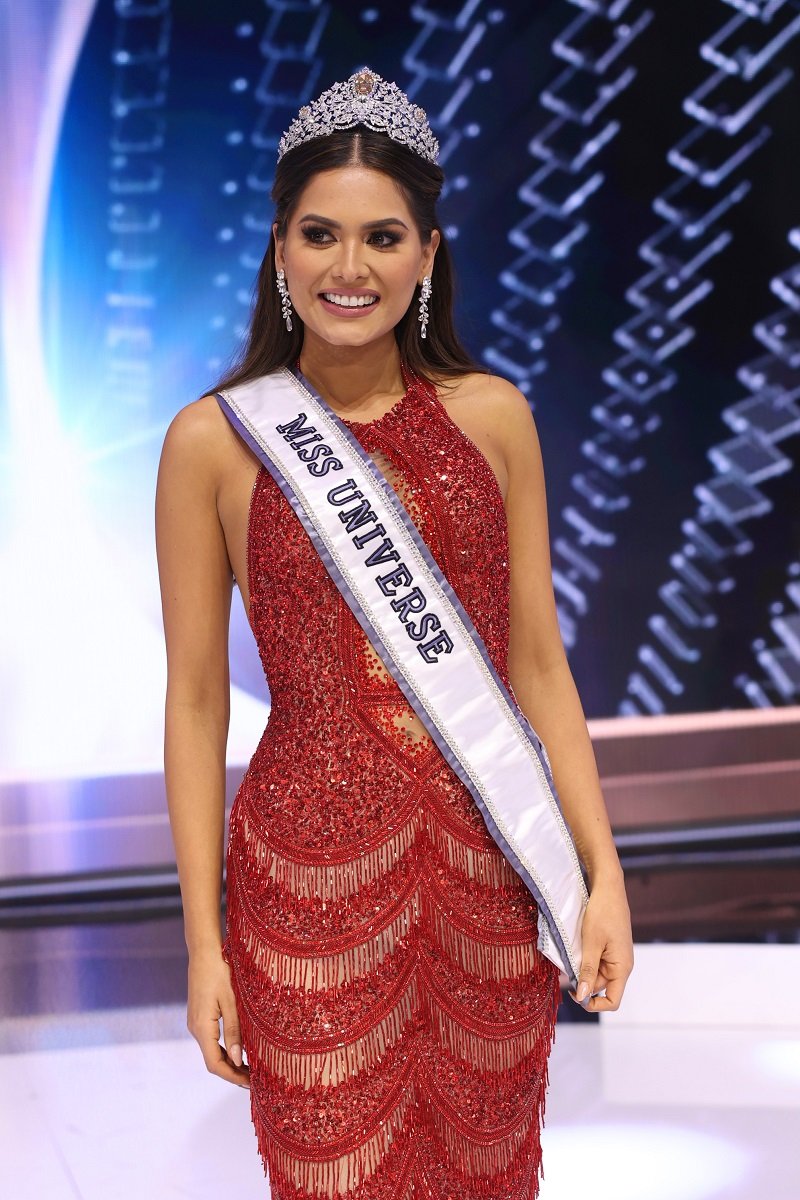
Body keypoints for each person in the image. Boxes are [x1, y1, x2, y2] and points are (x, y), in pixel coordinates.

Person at [155, 67, 633, 1200]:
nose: (348, 267)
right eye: (319, 234)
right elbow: (192, 702)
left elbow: (535, 665)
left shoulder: (496, 418)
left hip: (486, 883)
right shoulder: (214, 445)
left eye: (381, 237)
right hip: (302, 885)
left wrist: (602, 874)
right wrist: (203, 942)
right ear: (279, 246)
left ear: (426, 254)